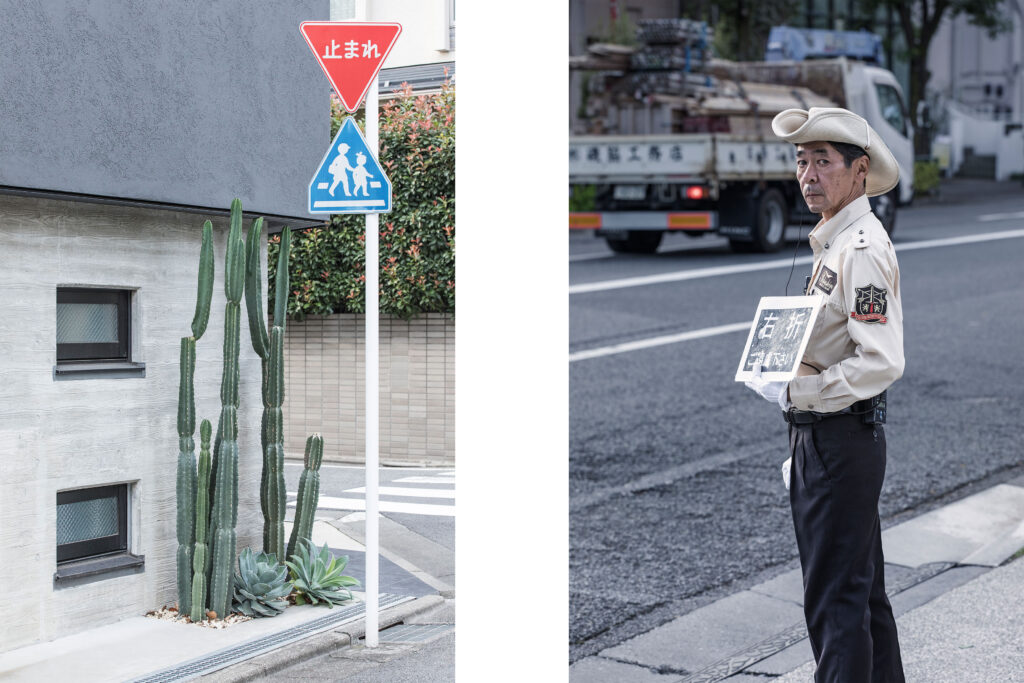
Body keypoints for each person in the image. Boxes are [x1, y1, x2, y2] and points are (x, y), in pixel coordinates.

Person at [745, 107, 906, 683]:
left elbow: (882, 359)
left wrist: (801, 391)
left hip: (839, 441)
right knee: (863, 598)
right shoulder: (837, 239)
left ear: (859, 171)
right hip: (839, 439)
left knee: (835, 606)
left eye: (824, 162)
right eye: (801, 161)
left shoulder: (857, 248)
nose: (808, 175)